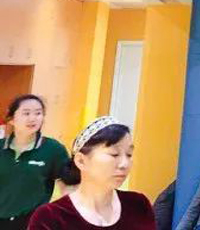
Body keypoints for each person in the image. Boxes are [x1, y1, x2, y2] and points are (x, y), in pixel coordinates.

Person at [27, 116, 156, 229]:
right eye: (114, 154)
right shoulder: (50, 217)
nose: (124, 164)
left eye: (129, 155)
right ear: (81, 161)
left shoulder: (138, 204)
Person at [0, 95, 70, 230]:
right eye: (26, 113)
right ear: (12, 119)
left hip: (33, 222)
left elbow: (69, 185)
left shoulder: (54, 149)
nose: (33, 118)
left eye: (38, 113)